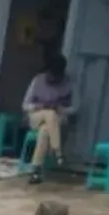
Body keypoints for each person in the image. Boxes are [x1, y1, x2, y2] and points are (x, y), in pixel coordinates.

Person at [23, 52, 75, 183]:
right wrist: (40, 106)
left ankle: (36, 170)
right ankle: (58, 152)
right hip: (37, 116)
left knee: (45, 131)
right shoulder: (38, 81)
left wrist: (61, 109)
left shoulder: (69, 83)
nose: (53, 78)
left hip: (58, 119)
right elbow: (25, 105)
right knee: (49, 114)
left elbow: (75, 108)